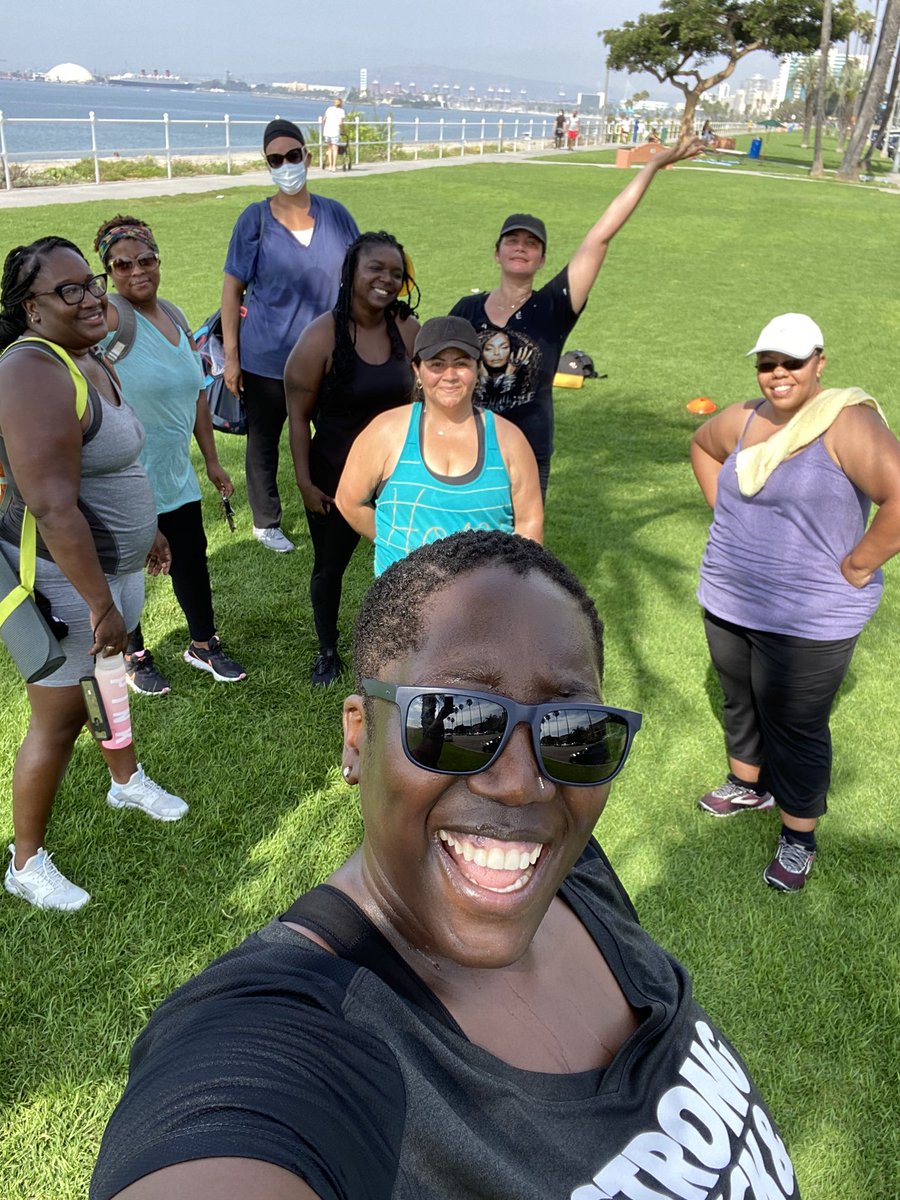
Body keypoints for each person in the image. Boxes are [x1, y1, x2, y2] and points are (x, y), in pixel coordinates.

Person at [91, 530, 801, 1200]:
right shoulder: (289, 1039)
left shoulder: (572, 873)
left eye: (573, 730)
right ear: (357, 735)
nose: (523, 783)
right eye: (455, 721)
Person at [0, 237, 186, 912]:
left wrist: (151, 530)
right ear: (31, 308)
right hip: (63, 581)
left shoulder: (88, 359)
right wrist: (99, 604)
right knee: (55, 719)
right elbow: (50, 502)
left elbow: (117, 464)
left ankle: (125, 779)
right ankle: (25, 863)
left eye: (91, 282)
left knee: (109, 680)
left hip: (112, 571)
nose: (92, 297)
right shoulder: (31, 372)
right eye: (69, 290)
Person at [691, 313, 900, 891]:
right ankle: (747, 784)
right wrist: (727, 517)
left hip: (812, 616)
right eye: (768, 364)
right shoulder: (742, 418)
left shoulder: (845, 424)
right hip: (731, 597)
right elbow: (702, 447)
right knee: (739, 700)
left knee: (796, 724)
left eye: (792, 362)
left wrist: (859, 565)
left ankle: (798, 836)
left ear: (819, 363)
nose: (778, 374)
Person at [450, 136, 704, 496]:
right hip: (466, 445)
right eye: (512, 240)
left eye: (531, 243)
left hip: (525, 452)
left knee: (519, 549)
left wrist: (649, 167)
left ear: (541, 260)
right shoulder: (466, 310)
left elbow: (599, 238)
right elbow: (438, 371)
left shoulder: (554, 306)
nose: (521, 246)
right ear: (497, 253)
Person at [95, 214, 246, 693]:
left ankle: (203, 644)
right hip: (126, 477)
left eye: (145, 260)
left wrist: (213, 460)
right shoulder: (108, 319)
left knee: (192, 561)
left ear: (158, 260)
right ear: (110, 272)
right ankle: (134, 655)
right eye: (122, 265)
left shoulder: (176, 316)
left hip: (175, 473)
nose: (136, 271)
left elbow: (197, 392)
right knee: (127, 574)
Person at [284, 231, 419, 688]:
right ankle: (327, 649)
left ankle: (407, 645)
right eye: (375, 269)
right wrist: (304, 481)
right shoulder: (321, 336)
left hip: (396, 474)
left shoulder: (406, 329)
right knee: (329, 566)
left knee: (406, 562)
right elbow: (298, 418)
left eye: (396, 273)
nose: (386, 280)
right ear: (351, 274)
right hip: (334, 476)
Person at [221, 118, 359, 553]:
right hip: (267, 357)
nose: (286, 165)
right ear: (267, 165)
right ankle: (266, 522)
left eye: (293, 156)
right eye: (275, 160)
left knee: (336, 435)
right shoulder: (255, 220)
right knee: (265, 440)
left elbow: (359, 275)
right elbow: (232, 289)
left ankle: (342, 506)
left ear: (308, 156)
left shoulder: (336, 215)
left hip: (328, 357)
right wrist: (231, 356)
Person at [336, 316, 543, 574]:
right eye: (436, 364)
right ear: (417, 371)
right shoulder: (385, 431)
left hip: (485, 601)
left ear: (477, 369)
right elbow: (349, 501)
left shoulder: (509, 441)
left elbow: (529, 522)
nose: (450, 376)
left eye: (461, 364)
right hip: (402, 601)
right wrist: (396, 544)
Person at [322, 97, 346, 172]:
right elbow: (341, 123)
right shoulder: (341, 111)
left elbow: (324, 120)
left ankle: (329, 165)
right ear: (341, 104)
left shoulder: (329, 109)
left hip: (327, 131)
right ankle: (333, 166)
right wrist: (344, 130)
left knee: (329, 148)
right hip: (335, 131)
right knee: (335, 149)